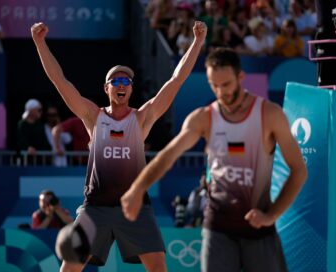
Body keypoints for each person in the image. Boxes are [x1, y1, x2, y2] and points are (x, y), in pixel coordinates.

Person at [31, 19, 207, 272]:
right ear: (106, 88)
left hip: (134, 207)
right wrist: (40, 43)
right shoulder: (93, 117)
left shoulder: (142, 117)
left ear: (132, 89)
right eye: (116, 82)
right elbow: (60, 81)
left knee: (158, 266)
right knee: (69, 267)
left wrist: (197, 42)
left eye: (127, 82)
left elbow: (176, 80)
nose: (122, 85)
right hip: (96, 208)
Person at [121, 47, 308, 272]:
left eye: (226, 84)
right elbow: (167, 156)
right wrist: (137, 189)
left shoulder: (269, 114)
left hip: (258, 230)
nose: (221, 92)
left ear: (240, 77)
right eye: (214, 85)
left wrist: (271, 215)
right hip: (218, 228)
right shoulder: (203, 118)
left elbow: (299, 170)